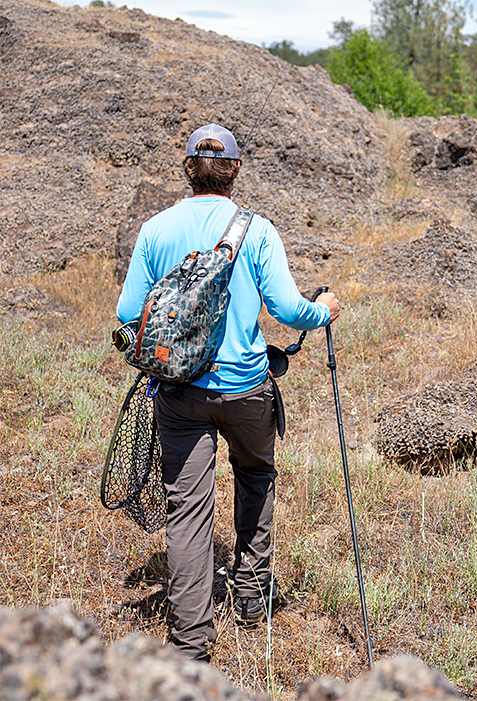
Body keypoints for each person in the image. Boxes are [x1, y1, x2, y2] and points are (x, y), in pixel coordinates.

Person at [116, 123, 340, 662]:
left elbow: (127, 317)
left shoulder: (155, 230)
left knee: (186, 511)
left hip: (180, 394)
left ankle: (191, 644)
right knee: (256, 475)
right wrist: (324, 310)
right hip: (247, 389)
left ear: (187, 169)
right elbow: (288, 311)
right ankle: (250, 597)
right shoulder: (257, 230)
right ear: (235, 169)